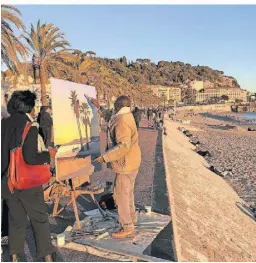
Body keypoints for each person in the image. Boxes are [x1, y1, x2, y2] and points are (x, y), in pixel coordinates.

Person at [1, 90, 57, 262]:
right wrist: (49, 154)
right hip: (27, 183)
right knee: (39, 218)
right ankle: (46, 255)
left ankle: (15, 255)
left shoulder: (3, 124)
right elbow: (31, 158)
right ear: (29, 107)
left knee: (15, 219)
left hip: (6, 181)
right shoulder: (29, 126)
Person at [92, 95, 141, 239]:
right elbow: (111, 116)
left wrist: (104, 157)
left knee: (120, 195)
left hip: (125, 163)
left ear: (118, 106)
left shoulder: (122, 121)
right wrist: (99, 108)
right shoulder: (126, 115)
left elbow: (123, 146)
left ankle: (127, 226)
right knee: (128, 192)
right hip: (132, 161)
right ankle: (132, 219)